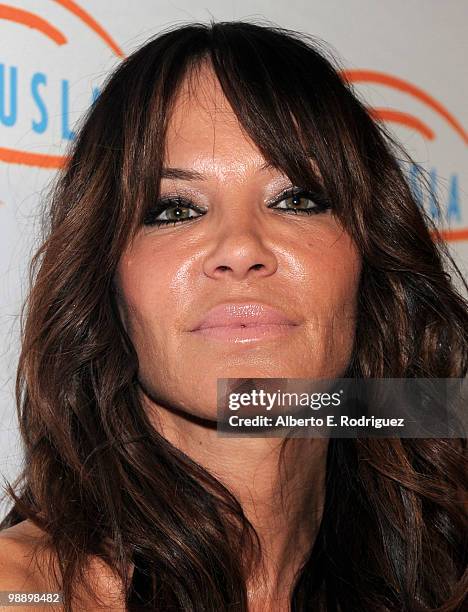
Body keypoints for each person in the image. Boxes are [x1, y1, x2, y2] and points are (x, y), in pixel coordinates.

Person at [0, 20, 466, 612]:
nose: (241, 248)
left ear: (368, 263)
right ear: (105, 284)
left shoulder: (440, 578)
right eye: (174, 209)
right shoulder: (23, 593)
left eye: (296, 199)